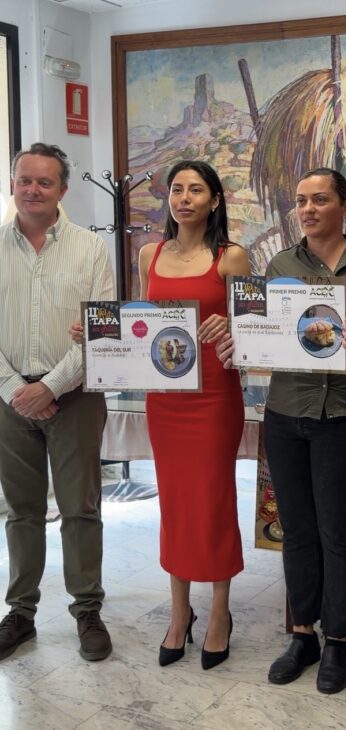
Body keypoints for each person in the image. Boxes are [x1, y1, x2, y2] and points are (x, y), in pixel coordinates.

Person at [216, 167, 346, 694]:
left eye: (319, 200)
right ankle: (303, 635)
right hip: (286, 413)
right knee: (296, 530)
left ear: (344, 205)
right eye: (301, 201)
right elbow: (266, 334)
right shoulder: (280, 265)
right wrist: (239, 340)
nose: (307, 209)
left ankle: (338, 639)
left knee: (338, 532)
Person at [0, 143, 115, 662]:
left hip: (76, 397)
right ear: (12, 184)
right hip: (8, 400)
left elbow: (102, 328)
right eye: (24, 180)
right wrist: (16, 391)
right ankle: (20, 614)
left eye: (44, 182)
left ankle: (87, 609)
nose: (33, 190)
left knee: (80, 509)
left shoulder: (91, 249)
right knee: (21, 512)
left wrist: (50, 387)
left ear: (62, 190)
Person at [141, 160, 250, 670]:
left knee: (213, 501)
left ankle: (220, 613)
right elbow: (141, 325)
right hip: (165, 399)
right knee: (175, 503)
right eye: (177, 189)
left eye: (196, 190)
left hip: (214, 399)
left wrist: (230, 326)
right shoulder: (150, 254)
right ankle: (180, 613)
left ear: (215, 200)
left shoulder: (232, 257)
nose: (184, 198)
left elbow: (255, 328)